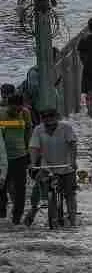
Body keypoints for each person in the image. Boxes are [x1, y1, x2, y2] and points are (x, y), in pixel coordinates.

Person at [24, 108, 77, 227]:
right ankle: (33, 210)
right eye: (47, 123)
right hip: (47, 166)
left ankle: (73, 220)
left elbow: (72, 145)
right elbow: (34, 148)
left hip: (66, 166)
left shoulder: (66, 128)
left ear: (56, 119)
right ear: (43, 121)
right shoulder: (38, 130)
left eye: (52, 122)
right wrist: (33, 163)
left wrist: (73, 161)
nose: (50, 126)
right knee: (37, 187)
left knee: (70, 193)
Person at [0, 93, 32, 224]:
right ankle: (2, 212)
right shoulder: (1, 114)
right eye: (14, 108)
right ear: (8, 105)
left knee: (20, 187)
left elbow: (28, 132)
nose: (17, 110)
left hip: (20, 156)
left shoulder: (25, 113)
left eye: (19, 107)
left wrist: (28, 151)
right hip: (3, 158)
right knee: (2, 186)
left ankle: (16, 217)